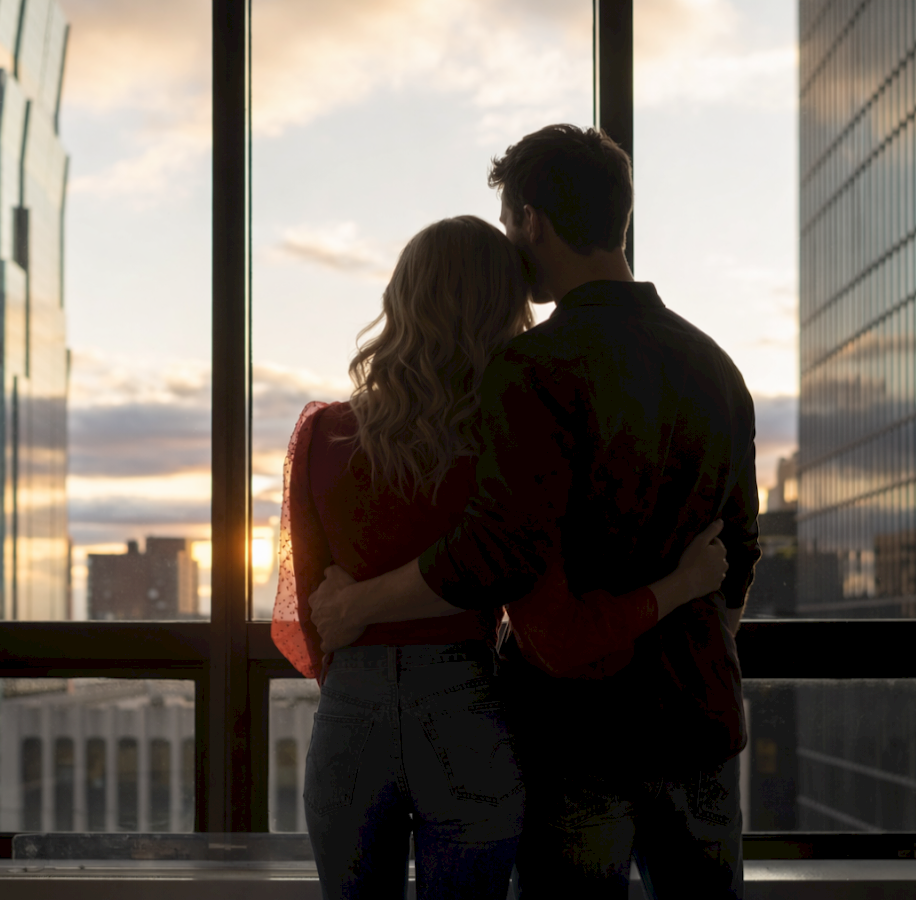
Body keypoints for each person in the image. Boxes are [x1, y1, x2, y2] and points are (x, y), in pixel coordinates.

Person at [308, 125, 761, 899]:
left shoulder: (534, 367)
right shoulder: (714, 363)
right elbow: (740, 554)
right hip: (697, 722)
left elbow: (497, 552)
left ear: (529, 222)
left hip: (578, 731)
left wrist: (355, 604)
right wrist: (687, 622)